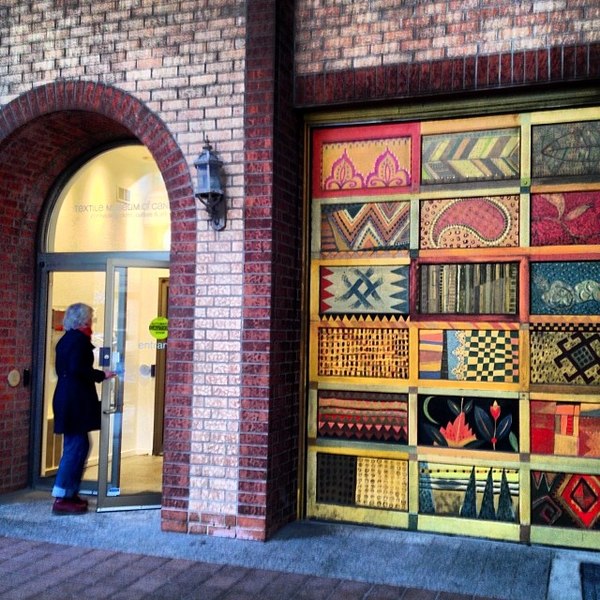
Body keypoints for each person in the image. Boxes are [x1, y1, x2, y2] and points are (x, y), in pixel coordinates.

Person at [51, 302, 116, 515]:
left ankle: (69, 492)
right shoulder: (79, 340)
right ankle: (62, 496)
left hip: (67, 398)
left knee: (77, 444)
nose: (92, 321)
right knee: (75, 446)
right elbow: (78, 368)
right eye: (90, 317)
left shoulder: (66, 340)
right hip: (74, 400)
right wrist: (101, 375)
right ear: (82, 320)